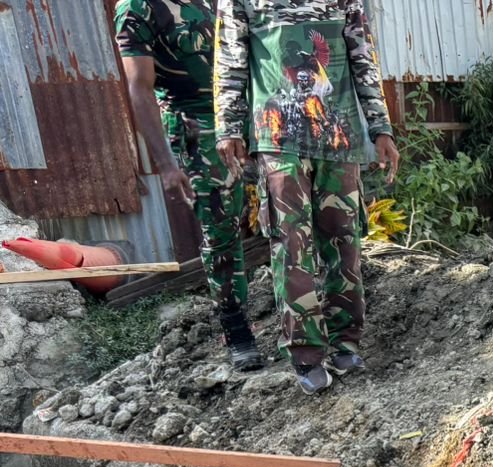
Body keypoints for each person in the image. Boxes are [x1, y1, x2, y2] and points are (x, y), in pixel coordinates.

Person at [214, 0, 401, 396]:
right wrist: (228, 128)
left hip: (338, 133)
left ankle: (346, 342)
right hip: (278, 137)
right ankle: (306, 354)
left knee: (344, 239)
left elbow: (361, 54)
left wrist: (380, 127)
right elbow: (230, 59)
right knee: (291, 246)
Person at [116, 0, 263, 371]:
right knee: (221, 227)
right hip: (196, 125)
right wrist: (167, 165)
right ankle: (237, 329)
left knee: (280, 211)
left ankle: (298, 312)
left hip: (250, 112)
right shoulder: (137, 8)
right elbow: (139, 88)